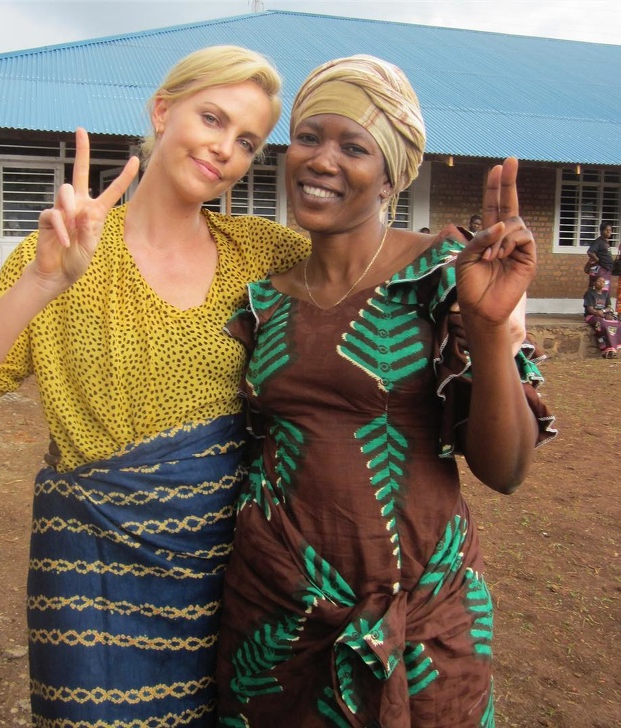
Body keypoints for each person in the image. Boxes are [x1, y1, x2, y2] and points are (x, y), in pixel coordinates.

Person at [0, 46, 309, 726]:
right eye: (212, 118)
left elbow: (370, 271)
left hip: (225, 576)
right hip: (91, 578)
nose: (224, 149)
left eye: (247, 141)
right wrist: (43, 281)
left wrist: (486, 301)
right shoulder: (68, 251)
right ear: (162, 110)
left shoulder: (265, 255)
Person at [216, 55, 557, 727]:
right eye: (309, 137)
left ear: (392, 174)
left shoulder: (442, 275)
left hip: (423, 629)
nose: (321, 159)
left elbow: (507, 470)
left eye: (354, 146)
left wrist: (488, 331)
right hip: (275, 622)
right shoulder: (263, 302)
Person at [583, 274, 620, 358]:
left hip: (603, 315)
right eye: (599, 281)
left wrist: (604, 313)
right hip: (591, 316)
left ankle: (613, 349)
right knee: (602, 325)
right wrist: (599, 313)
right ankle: (605, 348)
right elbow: (590, 309)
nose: (602, 283)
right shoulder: (589, 293)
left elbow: (608, 307)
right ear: (594, 283)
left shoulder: (606, 293)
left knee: (616, 323)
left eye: (603, 282)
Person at [586, 221, 614, 292]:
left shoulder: (605, 242)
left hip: (606, 269)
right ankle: (593, 302)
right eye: (606, 230)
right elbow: (590, 252)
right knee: (601, 289)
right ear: (601, 231)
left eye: (610, 230)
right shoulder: (598, 241)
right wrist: (597, 260)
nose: (608, 232)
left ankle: (603, 303)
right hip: (601, 270)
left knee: (604, 290)